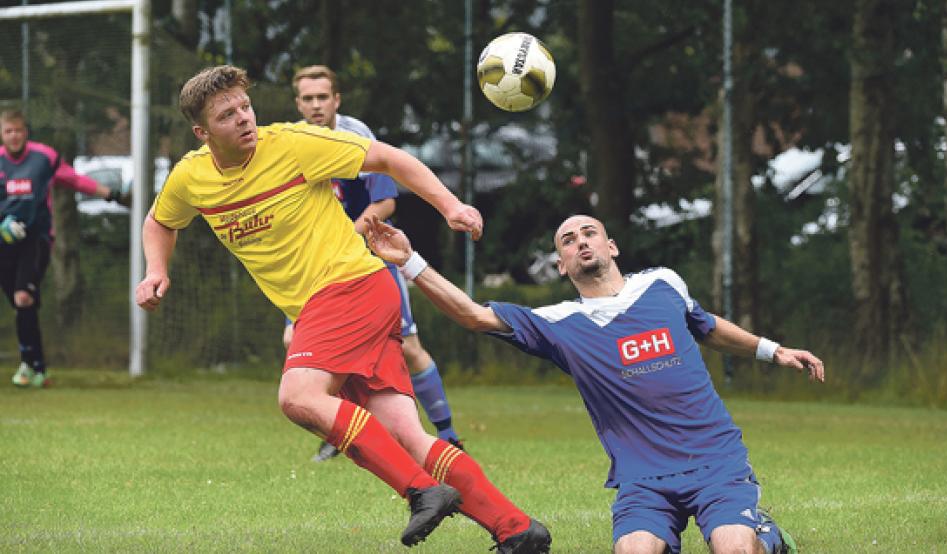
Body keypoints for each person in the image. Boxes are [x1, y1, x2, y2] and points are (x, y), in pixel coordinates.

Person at [135, 66, 550, 552]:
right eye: (227, 115)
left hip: (351, 288)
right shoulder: (191, 175)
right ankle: (518, 530)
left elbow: (389, 159)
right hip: (335, 302)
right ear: (202, 132)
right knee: (405, 435)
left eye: (245, 107)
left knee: (298, 396)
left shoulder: (293, 143)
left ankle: (420, 491)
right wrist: (155, 270)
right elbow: (160, 220)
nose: (244, 118)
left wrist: (451, 205)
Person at [364, 214, 826, 554]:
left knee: (733, 547)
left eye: (589, 233)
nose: (581, 242)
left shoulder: (663, 284)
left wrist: (772, 350)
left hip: (715, 462)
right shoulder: (557, 324)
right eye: (567, 240)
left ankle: (767, 537)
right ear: (561, 265)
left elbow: (705, 325)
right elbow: (471, 313)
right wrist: (410, 261)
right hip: (643, 478)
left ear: (612, 246)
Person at [285, 66, 462, 463]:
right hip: (318, 266)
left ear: (336, 100)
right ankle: (341, 429)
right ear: (298, 104)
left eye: (322, 97)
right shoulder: (293, 144)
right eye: (307, 99)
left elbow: (385, 202)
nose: (315, 105)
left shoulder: (358, 138)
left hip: (369, 258)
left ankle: (447, 433)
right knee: (294, 343)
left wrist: (347, 236)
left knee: (410, 348)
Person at [1, 109, 127, 388]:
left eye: (18, 130)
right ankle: (38, 367)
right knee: (23, 305)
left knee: (23, 299)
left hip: (37, 240)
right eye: (8, 131)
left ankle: (27, 366)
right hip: (5, 246)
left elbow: (73, 179)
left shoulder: (43, 158)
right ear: (2, 134)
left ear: (26, 131)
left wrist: (113, 195)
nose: (14, 136)